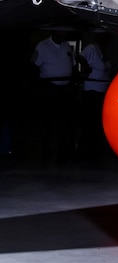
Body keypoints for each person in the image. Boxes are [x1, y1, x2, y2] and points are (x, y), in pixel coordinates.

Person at [30, 30, 77, 164]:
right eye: (61, 32)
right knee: (47, 121)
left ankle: (63, 151)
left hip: (65, 89)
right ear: (55, 32)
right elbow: (33, 66)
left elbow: (72, 64)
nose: (64, 35)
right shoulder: (43, 46)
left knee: (64, 122)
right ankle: (46, 149)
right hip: (49, 88)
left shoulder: (66, 46)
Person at [76, 31, 113, 163]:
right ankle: (85, 150)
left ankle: (96, 148)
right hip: (92, 91)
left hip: (102, 91)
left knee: (98, 123)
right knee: (89, 122)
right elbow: (80, 57)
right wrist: (86, 69)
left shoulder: (103, 52)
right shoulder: (91, 49)